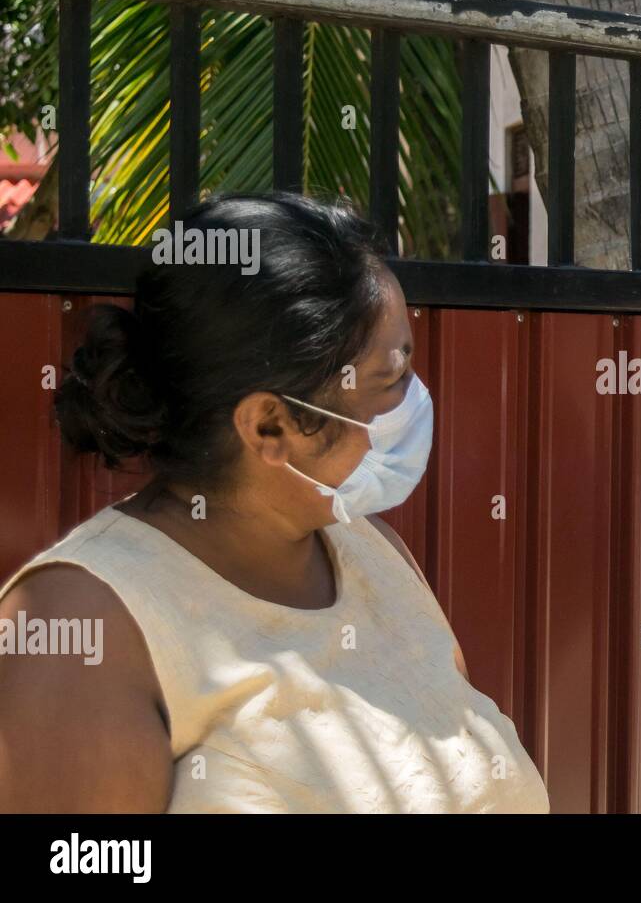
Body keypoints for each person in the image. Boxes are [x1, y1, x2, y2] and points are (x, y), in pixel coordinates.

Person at [0, 193, 550, 813]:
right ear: (269, 426)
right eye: (389, 381)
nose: (414, 402)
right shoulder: (85, 624)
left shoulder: (370, 552)